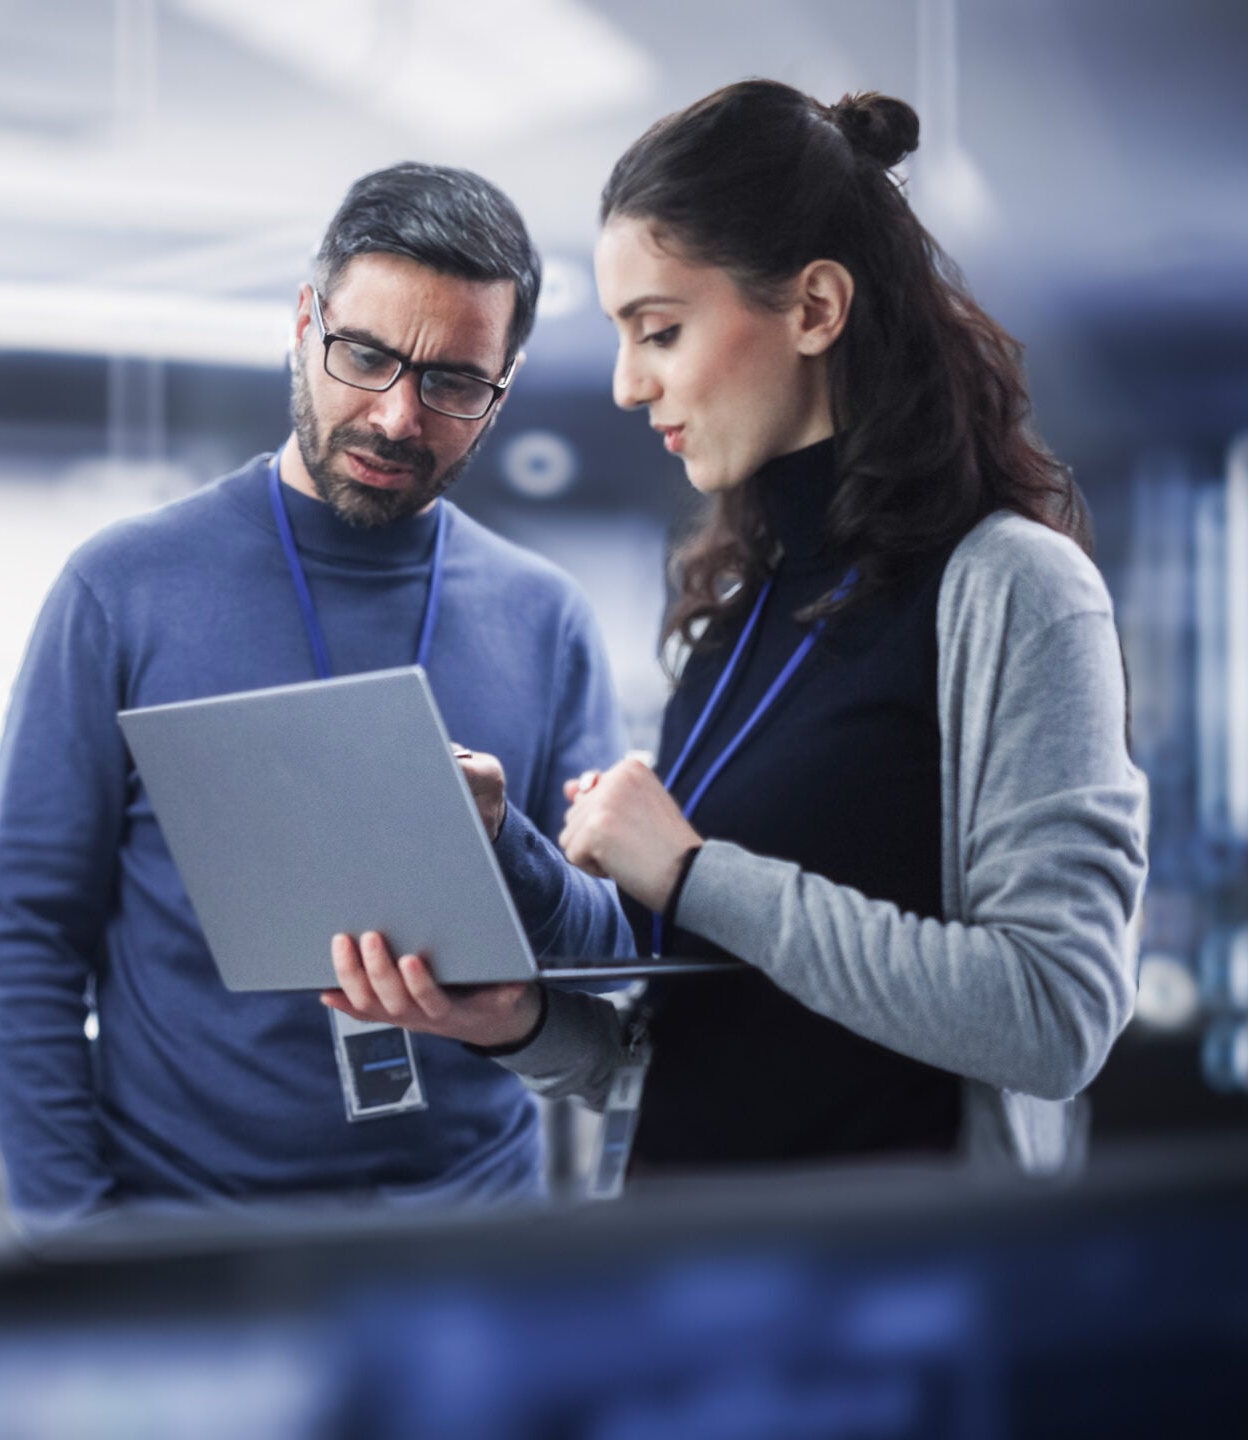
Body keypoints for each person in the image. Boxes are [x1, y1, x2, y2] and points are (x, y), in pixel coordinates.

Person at [322, 82, 1146, 1177]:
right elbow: (695, 1045)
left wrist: (695, 874)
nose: (625, 384)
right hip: (689, 1282)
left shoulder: (1012, 591)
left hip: (903, 1307)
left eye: (658, 330)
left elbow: (1056, 1018)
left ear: (813, 308)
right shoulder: (732, 616)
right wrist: (515, 1019)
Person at [0, 163, 631, 1234]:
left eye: (455, 382)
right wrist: (71, 1240)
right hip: (186, 1240)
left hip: (471, 1240)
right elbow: (26, 937)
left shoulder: (543, 618)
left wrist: (504, 842)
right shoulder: (124, 588)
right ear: (303, 322)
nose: (396, 415)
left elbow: (605, 955)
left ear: (502, 386)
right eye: (363, 355)